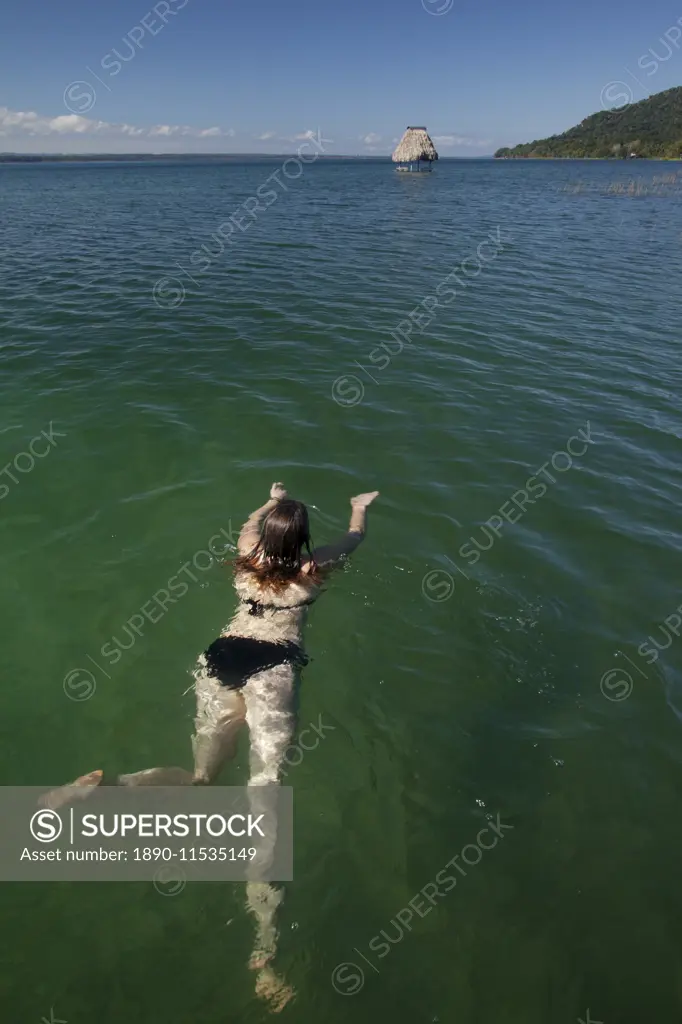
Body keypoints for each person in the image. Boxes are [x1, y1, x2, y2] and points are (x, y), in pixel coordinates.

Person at [45, 482, 379, 1010]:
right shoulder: (311, 572)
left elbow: (248, 520)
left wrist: (271, 498)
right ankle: (264, 952)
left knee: (201, 780)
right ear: (303, 541)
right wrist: (360, 508)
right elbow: (355, 538)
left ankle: (109, 788)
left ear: (266, 534)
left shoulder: (247, 555)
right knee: (265, 792)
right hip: (273, 667)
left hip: (220, 657)